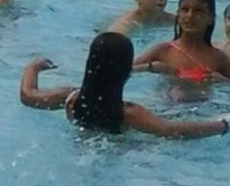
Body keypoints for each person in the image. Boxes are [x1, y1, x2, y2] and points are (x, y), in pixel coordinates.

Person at [20, 32, 230, 138]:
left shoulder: (70, 98)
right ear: (125, 70)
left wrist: (33, 67)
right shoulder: (128, 113)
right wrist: (223, 125)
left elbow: (28, 96)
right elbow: (171, 130)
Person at [133, 0, 230, 82]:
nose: (190, 15)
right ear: (178, 14)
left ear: (211, 18)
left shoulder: (218, 58)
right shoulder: (163, 51)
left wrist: (223, 82)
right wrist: (151, 67)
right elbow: (127, 69)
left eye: (198, 10)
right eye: (185, 9)